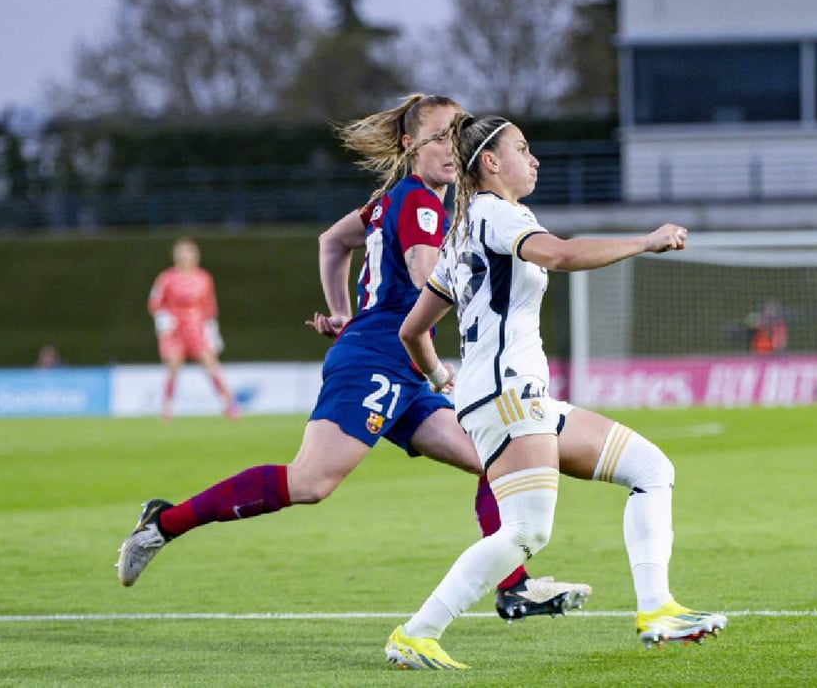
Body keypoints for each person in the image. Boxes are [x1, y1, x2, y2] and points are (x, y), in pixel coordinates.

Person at [116, 94, 591, 624]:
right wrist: (435, 356)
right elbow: (426, 287)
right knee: (311, 483)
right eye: (438, 136)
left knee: (490, 462)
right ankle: (163, 523)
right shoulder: (423, 205)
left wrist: (345, 311)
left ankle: (514, 588)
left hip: (398, 363)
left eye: (456, 135)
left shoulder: (393, 199)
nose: (449, 147)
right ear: (410, 145)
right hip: (376, 361)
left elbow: (332, 243)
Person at [384, 112, 727, 671]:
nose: (535, 158)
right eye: (523, 148)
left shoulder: (466, 228)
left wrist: (442, 379)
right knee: (526, 531)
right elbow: (561, 255)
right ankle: (417, 633)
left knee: (651, 470)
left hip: (510, 394)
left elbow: (412, 329)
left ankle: (657, 608)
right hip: (507, 394)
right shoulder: (495, 215)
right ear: (490, 163)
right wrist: (646, 241)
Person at [147, 237, 238, 420]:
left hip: (197, 329)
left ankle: (229, 403)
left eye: (189, 253)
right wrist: (163, 320)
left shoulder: (204, 278)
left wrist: (212, 329)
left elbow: (209, 306)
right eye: (182, 254)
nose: (186, 257)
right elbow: (154, 302)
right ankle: (166, 407)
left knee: (211, 364)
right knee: (173, 366)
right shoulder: (166, 278)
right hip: (174, 330)